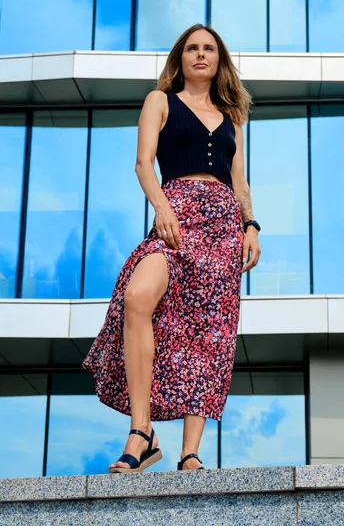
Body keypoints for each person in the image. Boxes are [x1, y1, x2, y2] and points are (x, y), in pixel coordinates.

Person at [82, 23, 261, 473]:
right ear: (180, 57)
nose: (201, 55)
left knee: (208, 333)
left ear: (219, 60)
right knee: (137, 297)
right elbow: (144, 163)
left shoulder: (232, 116)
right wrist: (162, 207)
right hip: (175, 216)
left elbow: (239, 183)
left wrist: (252, 227)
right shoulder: (160, 101)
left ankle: (190, 451)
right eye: (192, 48)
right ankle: (142, 431)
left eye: (209, 49)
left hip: (222, 226)